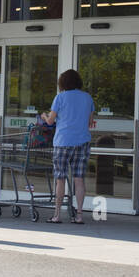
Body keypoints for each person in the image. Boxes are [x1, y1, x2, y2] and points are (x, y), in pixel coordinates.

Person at [42, 69, 95, 224]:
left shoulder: (60, 97)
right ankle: (79, 215)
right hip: (82, 142)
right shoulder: (87, 98)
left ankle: (57, 215)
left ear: (63, 83)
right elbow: (90, 122)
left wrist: (44, 116)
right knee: (79, 180)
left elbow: (50, 121)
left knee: (60, 179)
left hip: (62, 142)